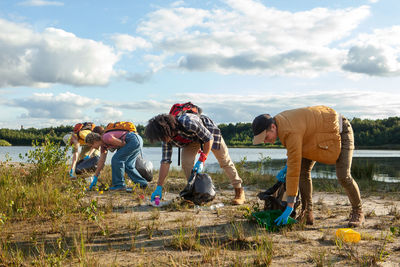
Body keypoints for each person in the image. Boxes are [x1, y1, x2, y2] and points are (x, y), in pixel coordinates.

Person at [252, 105, 364, 227]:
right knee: (302, 172)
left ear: (272, 127)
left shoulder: (289, 130)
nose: (266, 141)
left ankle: (358, 211)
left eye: (266, 137)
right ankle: (307, 213)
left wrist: (290, 205)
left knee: (343, 176)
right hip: (313, 139)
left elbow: (294, 165)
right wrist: (287, 167)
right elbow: (294, 156)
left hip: (340, 131)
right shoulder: (281, 123)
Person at [145, 113, 245, 205]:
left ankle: (239, 191)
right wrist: (159, 186)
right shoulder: (166, 139)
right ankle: (195, 194)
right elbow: (165, 162)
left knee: (224, 161)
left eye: (162, 137)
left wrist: (202, 159)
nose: (162, 140)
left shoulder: (188, 123)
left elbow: (208, 139)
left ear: (168, 130)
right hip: (191, 141)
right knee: (186, 163)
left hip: (209, 134)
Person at [84, 126, 148, 191]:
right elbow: (101, 161)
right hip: (138, 140)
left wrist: (119, 155)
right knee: (128, 165)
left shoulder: (106, 138)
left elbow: (123, 144)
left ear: (94, 141)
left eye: (91, 146)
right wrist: (96, 176)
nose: (93, 148)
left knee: (116, 160)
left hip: (133, 140)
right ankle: (142, 184)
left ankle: (119, 185)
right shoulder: (103, 146)